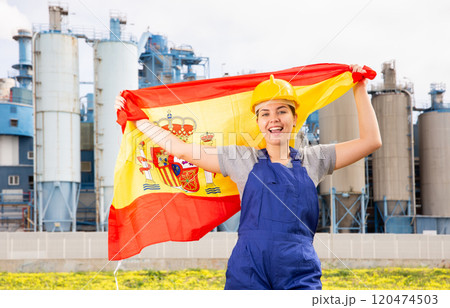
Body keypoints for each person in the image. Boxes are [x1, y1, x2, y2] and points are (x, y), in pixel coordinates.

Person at [114, 64, 382, 290]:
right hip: (248, 269)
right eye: (265, 113)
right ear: (257, 122)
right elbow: (183, 150)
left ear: (294, 117)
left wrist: (359, 87)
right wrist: (138, 120)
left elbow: (371, 141)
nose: (273, 119)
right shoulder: (242, 159)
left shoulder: (315, 160)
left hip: (299, 270)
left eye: (281, 111)